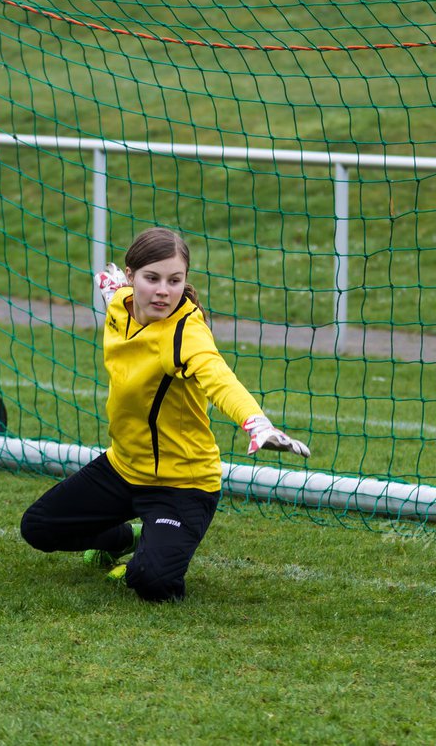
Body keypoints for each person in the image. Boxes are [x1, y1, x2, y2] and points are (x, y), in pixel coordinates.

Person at [20, 227, 310, 602]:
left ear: (185, 281)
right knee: (38, 527)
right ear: (131, 277)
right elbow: (117, 297)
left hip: (183, 484)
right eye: (151, 278)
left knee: (152, 582)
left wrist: (257, 423)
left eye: (175, 281)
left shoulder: (187, 333)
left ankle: (151, 549)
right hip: (123, 468)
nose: (163, 291)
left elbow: (220, 379)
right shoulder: (119, 304)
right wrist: (110, 288)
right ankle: (130, 537)